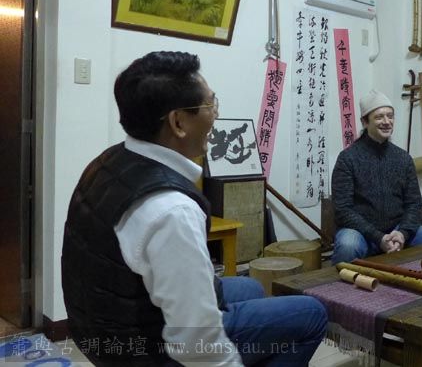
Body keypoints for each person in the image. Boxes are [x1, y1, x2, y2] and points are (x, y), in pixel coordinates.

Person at [61, 51, 327, 366]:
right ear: (178, 122)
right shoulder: (171, 211)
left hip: (104, 329)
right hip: (146, 352)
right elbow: (197, 345)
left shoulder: (108, 162)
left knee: (250, 287)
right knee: (312, 313)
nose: (215, 114)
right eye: (210, 104)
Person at [330, 90, 422, 264]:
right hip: (361, 232)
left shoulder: (403, 158)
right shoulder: (348, 158)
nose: (386, 122)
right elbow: (343, 210)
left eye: (390, 116)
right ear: (365, 122)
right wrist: (378, 237)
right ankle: (338, 284)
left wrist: (403, 233)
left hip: (396, 230)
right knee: (348, 245)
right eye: (379, 117)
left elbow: (414, 203)